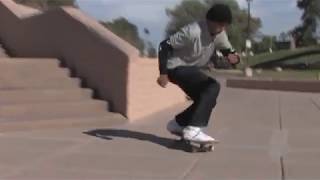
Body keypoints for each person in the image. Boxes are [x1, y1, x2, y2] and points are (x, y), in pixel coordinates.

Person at [157, 3, 240, 143]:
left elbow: (228, 51)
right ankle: (193, 129)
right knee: (213, 86)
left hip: (190, 69)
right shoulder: (192, 31)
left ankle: (178, 124)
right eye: (220, 24)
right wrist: (163, 73)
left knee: (207, 100)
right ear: (210, 21)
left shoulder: (220, 34)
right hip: (175, 68)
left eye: (225, 25)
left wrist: (234, 58)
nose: (222, 29)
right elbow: (164, 46)